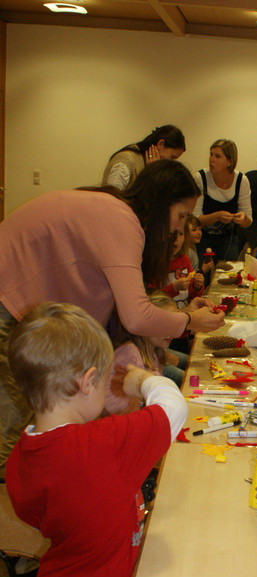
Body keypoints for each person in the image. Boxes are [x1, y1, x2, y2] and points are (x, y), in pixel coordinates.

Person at [0, 302, 188, 577]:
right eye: (104, 381)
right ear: (87, 382)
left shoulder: (21, 453)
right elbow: (175, 408)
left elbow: (38, 513)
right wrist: (141, 380)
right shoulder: (102, 444)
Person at [0, 159, 224, 479]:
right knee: (19, 413)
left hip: (19, 295)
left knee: (33, 414)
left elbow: (127, 304)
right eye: (181, 215)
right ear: (162, 203)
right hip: (8, 293)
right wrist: (188, 320)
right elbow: (136, 317)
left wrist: (181, 315)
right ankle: (19, 489)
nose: (180, 228)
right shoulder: (122, 221)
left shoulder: (117, 214)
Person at [105, 293, 187, 413]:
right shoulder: (130, 354)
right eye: (163, 325)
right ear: (146, 325)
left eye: (173, 325)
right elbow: (111, 404)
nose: (171, 332)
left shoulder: (154, 352)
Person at [193, 139, 252, 264]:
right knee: (201, 274)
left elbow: (248, 221)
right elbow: (194, 220)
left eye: (217, 156)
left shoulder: (241, 181)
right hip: (201, 239)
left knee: (228, 273)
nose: (211, 160)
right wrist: (217, 216)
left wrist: (242, 218)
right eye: (211, 154)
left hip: (229, 240)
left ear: (230, 162)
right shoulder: (200, 178)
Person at [101, 124, 186, 190]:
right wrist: (150, 174)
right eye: (172, 157)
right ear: (160, 144)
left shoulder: (153, 167)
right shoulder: (126, 161)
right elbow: (112, 198)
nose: (171, 163)